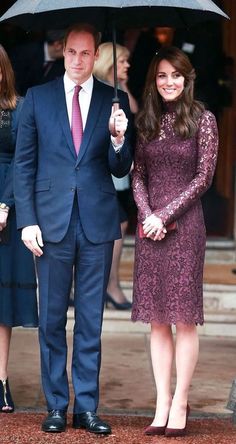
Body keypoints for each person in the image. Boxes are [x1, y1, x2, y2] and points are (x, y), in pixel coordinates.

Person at [14, 23, 132, 434]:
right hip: (49, 222)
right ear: (63, 52)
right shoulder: (37, 99)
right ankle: (55, 406)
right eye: (72, 53)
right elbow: (23, 165)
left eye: (86, 54)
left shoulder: (111, 100)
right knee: (50, 320)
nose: (79, 61)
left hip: (96, 221)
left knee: (89, 321)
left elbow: (121, 168)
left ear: (95, 54)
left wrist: (119, 139)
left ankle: (86, 407)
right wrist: (26, 219)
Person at [131, 46, 218, 437]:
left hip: (185, 229)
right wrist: (147, 214)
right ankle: (161, 401)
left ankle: (181, 400)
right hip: (150, 229)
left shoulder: (204, 119)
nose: (169, 82)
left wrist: (162, 216)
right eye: (162, 75)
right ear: (155, 79)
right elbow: (137, 175)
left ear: (188, 79)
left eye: (176, 76)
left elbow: (203, 179)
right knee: (156, 321)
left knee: (183, 319)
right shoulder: (146, 121)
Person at [0, 44, 38, 413]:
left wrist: (5, 204)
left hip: (7, 209)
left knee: (2, 305)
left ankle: (1, 381)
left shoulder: (21, 107)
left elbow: (24, 161)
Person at [93, 42, 138, 310]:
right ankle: (110, 286)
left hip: (121, 171)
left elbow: (133, 109)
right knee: (116, 225)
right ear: (109, 63)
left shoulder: (118, 90)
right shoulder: (101, 91)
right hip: (104, 171)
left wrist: (121, 83)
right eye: (122, 61)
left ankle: (109, 286)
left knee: (119, 224)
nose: (127, 65)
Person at [10, 29, 65, 96]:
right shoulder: (26, 53)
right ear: (58, 45)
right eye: (69, 46)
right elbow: (14, 82)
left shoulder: (61, 64)